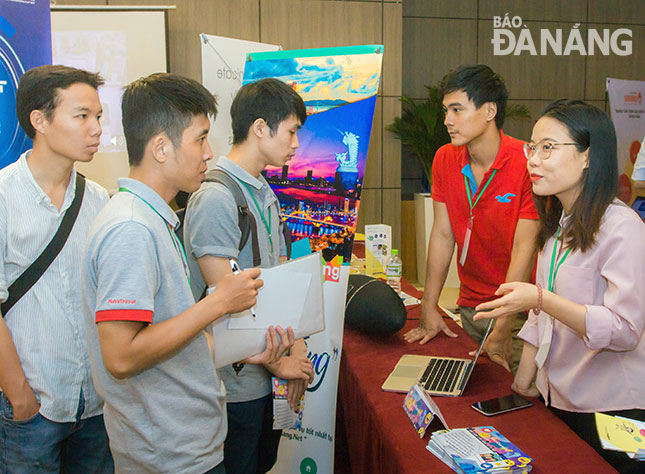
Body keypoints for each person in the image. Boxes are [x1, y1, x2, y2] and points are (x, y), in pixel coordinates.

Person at [81, 73, 293, 474]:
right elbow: (122, 356)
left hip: (184, 444)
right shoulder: (131, 227)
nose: (209, 152)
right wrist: (218, 303)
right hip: (167, 453)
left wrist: (244, 350)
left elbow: (170, 334)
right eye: (200, 138)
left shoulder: (154, 219)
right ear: (161, 147)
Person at [474, 99, 645, 474]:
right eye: (531, 148)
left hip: (612, 411)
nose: (533, 160)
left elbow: (625, 330)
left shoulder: (622, 227)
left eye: (547, 148)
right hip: (558, 400)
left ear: (588, 156)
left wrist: (540, 298)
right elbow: (540, 318)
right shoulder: (557, 227)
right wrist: (521, 386)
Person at [184, 78, 314, 474]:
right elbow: (224, 305)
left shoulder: (263, 192)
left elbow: (275, 282)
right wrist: (281, 364)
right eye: (291, 131)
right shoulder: (217, 197)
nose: (296, 144)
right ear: (260, 128)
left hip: (263, 374)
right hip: (233, 385)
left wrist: (294, 350)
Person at [0, 65, 113, 473]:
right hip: (32, 408)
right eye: (82, 116)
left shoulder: (100, 199)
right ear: (39, 120)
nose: (96, 128)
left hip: (96, 405)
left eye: (98, 117)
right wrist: (20, 395)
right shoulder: (4, 196)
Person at [404, 64, 539, 373]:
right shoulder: (445, 158)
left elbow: (525, 248)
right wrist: (429, 303)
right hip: (471, 306)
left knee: (520, 406)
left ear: (489, 110)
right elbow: (442, 234)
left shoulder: (526, 162)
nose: (447, 120)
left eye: (457, 109)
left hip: (518, 312)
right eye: (445, 110)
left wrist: (504, 325)